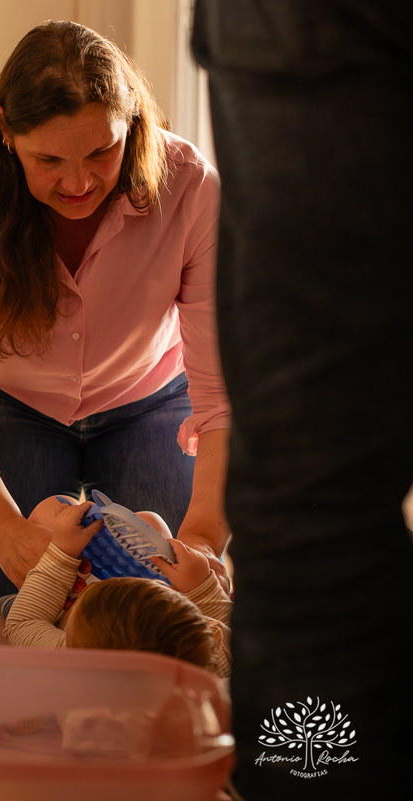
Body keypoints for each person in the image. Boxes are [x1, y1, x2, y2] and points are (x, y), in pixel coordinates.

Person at [0, 20, 229, 607]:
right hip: (11, 402)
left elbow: (225, 388)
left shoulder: (191, 185)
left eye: (103, 151)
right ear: (4, 132)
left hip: (149, 398)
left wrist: (203, 539)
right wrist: (1, 532)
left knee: (158, 591)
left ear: (133, 123)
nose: (79, 182)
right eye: (48, 159)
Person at [192, 1, 413, 795]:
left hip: (311, 31)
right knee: (312, 500)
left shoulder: (180, 181)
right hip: (308, 33)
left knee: (313, 496)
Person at [4, 497, 231, 678]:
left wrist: (62, 553)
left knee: (53, 507)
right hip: (128, 597)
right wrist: (200, 585)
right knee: (150, 521)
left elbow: (23, 624)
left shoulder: (73, 656)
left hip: (73, 594)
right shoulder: (205, 665)